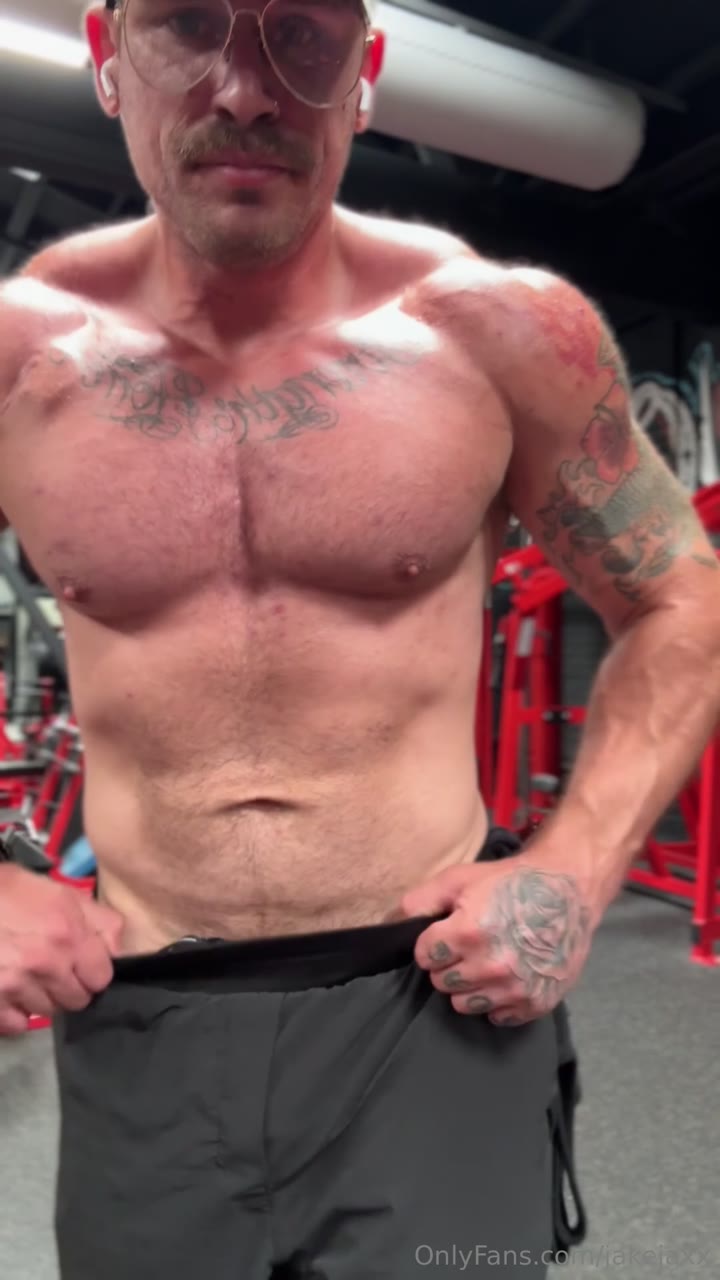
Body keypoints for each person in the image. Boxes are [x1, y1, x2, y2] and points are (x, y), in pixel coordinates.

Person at [0, 0, 719, 1275]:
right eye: (188, 27)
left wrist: (575, 868)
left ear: (366, 73)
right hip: (144, 1009)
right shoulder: (19, 356)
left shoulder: (499, 333)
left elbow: (683, 597)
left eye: (301, 35)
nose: (246, 89)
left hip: (430, 1002)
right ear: (108, 61)